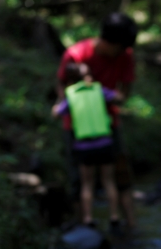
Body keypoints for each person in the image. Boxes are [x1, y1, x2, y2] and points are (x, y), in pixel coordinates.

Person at [57, 12, 138, 228]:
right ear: (109, 41)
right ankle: (83, 227)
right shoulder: (76, 55)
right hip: (76, 129)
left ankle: (129, 225)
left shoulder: (125, 55)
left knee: (120, 176)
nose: (122, 52)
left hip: (110, 126)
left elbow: (125, 91)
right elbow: (62, 87)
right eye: (120, 47)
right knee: (79, 179)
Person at [53, 63, 122, 230]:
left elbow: (56, 113)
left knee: (87, 184)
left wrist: (60, 96)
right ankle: (114, 216)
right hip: (104, 142)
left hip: (84, 146)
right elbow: (118, 97)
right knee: (108, 181)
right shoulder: (98, 89)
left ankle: (88, 218)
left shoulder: (71, 94)